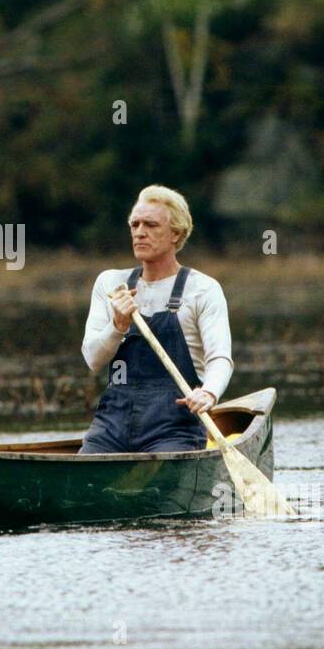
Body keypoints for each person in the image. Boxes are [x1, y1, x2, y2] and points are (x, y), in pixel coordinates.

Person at [80, 184, 233, 454]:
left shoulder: (203, 289)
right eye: (134, 224)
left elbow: (219, 358)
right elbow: (93, 359)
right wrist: (117, 326)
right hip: (110, 427)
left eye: (150, 225)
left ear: (176, 233)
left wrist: (208, 393)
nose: (139, 232)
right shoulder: (110, 284)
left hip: (175, 428)